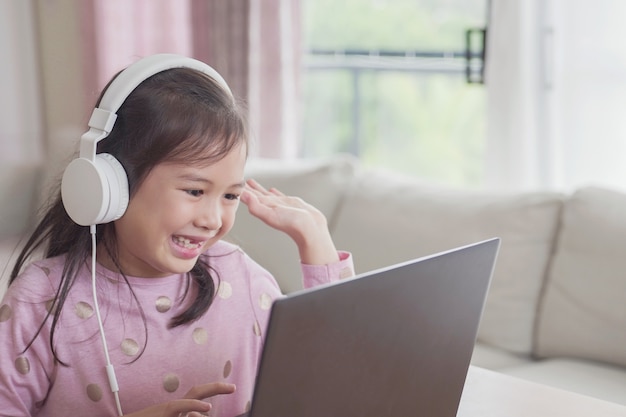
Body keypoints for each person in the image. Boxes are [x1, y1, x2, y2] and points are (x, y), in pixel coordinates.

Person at [0, 54, 354, 417]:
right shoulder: (40, 301)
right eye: (195, 192)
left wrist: (318, 248)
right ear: (111, 184)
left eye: (230, 196)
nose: (213, 220)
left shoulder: (243, 279)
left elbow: (334, 382)